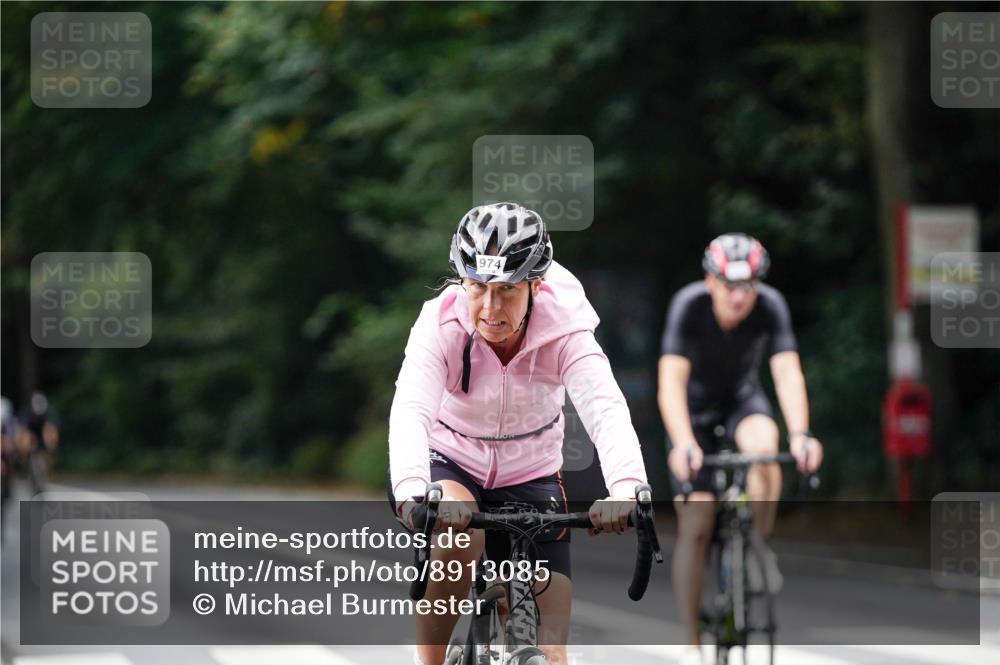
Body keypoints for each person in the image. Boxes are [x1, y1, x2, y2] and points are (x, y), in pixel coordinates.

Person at [388, 202, 649, 665]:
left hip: (532, 475)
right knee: (459, 537)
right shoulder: (440, 323)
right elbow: (411, 409)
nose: (490, 308)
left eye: (507, 290)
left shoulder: (567, 327)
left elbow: (604, 408)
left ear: (536, 284)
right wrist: (411, 490)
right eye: (477, 288)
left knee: (551, 651)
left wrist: (627, 487)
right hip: (452, 462)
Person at [657, 233, 823, 665]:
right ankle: (692, 642)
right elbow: (670, 382)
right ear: (709, 282)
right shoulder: (688, 305)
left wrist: (801, 434)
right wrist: (683, 443)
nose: (737, 296)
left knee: (766, 448)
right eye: (728, 286)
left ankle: (757, 544)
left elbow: (787, 374)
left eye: (747, 286)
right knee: (697, 522)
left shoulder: (771, 305)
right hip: (692, 413)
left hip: (741, 401)